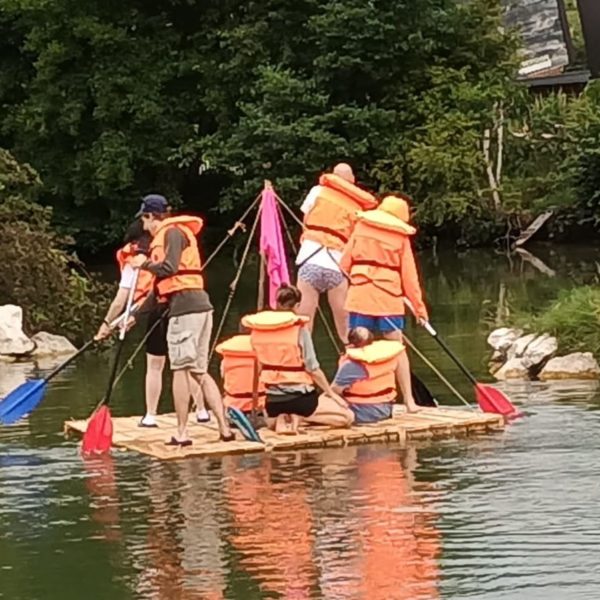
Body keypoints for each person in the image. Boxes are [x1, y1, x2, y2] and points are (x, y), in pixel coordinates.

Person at [129, 194, 234, 446]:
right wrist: (134, 316)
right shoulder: (171, 234)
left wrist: (143, 265)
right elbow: (160, 288)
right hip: (200, 306)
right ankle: (224, 428)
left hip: (187, 310)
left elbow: (170, 269)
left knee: (179, 369)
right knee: (198, 370)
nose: (143, 227)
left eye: (144, 220)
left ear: (150, 216)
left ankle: (182, 432)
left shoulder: (172, 233)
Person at [95, 219, 209, 428]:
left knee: (156, 365)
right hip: (174, 303)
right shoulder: (165, 244)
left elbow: (122, 298)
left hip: (158, 308)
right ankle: (201, 411)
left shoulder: (135, 259)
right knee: (189, 364)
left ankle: (150, 415)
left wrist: (107, 324)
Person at [340, 194, 429, 413]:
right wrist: (419, 308)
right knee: (397, 349)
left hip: (360, 296)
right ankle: (409, 401)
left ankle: (345, 397)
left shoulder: (360, 227)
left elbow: (344, 263)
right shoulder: (400, 237)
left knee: (354, 348)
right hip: (387, 299)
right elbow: (410, 277)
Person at [242, 284, 354, 435]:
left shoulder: (259, 329)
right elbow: (312, 368)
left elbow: (259, 368)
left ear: (277, 303)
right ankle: (298, 418)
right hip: (301, 399)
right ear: (297, 305)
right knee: (347, 417)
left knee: (271, 420)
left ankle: (282, 418)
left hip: (273, 400)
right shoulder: (299, 328)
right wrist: (331, 394)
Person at [295, 163, 378, 343]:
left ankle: (301, 363)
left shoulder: (318, 191)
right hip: (337, 267)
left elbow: (305, 218)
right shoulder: (358, 206)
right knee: (345, 328)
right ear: (353, 181)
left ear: (332, 176)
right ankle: (353, 357)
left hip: (309, 261)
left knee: (304, 323)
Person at [331, 327, 404, 424]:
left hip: (363, 411)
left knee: (319, 405)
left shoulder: (351, 364)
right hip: (386, 408)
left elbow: (334, 391)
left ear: (351, 345)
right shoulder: (388, 356)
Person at [215, 332, 266, 416]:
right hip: (258, 406)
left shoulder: (228, 355)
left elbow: (222, 375)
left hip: (234, 407)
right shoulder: (261, 352)